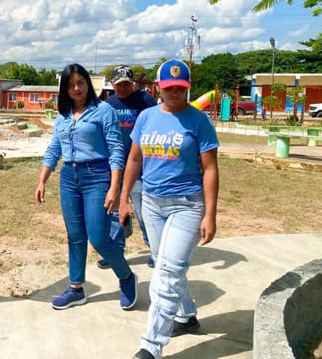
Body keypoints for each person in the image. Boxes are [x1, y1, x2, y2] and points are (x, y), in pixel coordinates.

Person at [119, 59, 219, 359]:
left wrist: (211, 215)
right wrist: (124, 198)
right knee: (166, 265)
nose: (175, 92)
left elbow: (210, 168)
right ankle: (186, 315)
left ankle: (151, 346)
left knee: (167, 272)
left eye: (181, 88)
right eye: (169, 87)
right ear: (158, 88)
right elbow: (134, 160)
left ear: (187, 89)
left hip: (187, 205)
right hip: (151, 203)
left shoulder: (199, 121)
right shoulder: (147, 117)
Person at [35, 63, 138, 311]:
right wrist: (42, 179)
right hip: (69, 177)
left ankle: (126, 276)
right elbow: (54, 149)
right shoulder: (63, 114)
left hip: (98, 176)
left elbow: (116, 150)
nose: (77, 88)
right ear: (65, 89)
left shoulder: (103, 111)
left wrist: (114, 187)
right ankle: (76, 289)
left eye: (81, 83)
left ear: (88, 85)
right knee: (75, 237)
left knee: (99, 238)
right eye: (71, 85)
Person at [97, 65, 157, 270]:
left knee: (142, 211)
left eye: (126, 84)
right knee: (113, 211)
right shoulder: (108, 104)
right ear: (112, 84)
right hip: (115, 166)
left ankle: (154, 248)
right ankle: (114, 252)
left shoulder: (145, 101)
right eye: (118, 84)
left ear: (133, 84)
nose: (122, 88)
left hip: (140, 167)